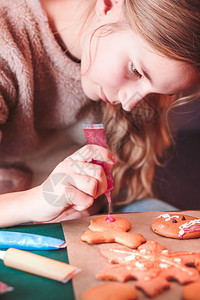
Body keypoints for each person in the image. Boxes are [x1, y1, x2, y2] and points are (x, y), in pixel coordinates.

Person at [0, 0, 199, 227]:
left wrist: (86, 200)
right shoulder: (6, 42)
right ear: (108, 5)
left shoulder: (116, 73)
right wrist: (38, 201)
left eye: (154, 92)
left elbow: (114, 183)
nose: (129, 104)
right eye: (136, 71)